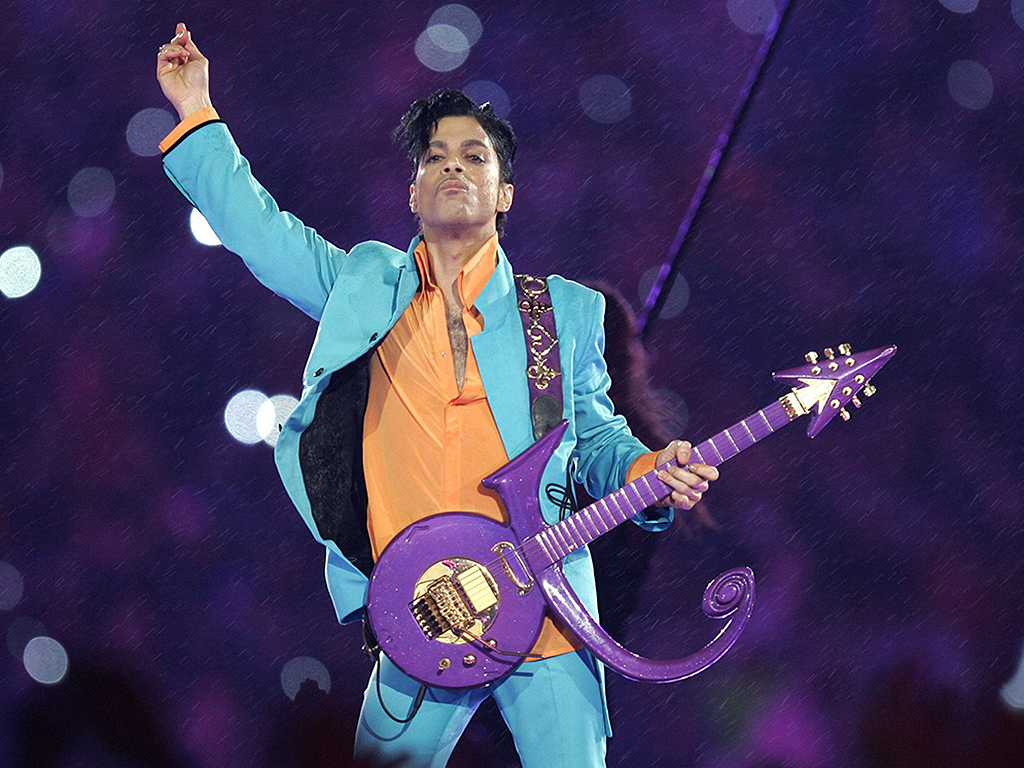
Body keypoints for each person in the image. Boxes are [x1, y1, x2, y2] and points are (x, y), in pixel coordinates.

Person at [156, 22, 719, 768]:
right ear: (414, 191)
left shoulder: (561, 313)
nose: (453, 165)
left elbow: (596, 440)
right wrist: (196, 110)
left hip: (548, 608)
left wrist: (648, 468)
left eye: (475, 156)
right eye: (435, 156)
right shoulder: (365, 287)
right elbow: (260, 232)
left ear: (505, 192)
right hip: (424, 609)